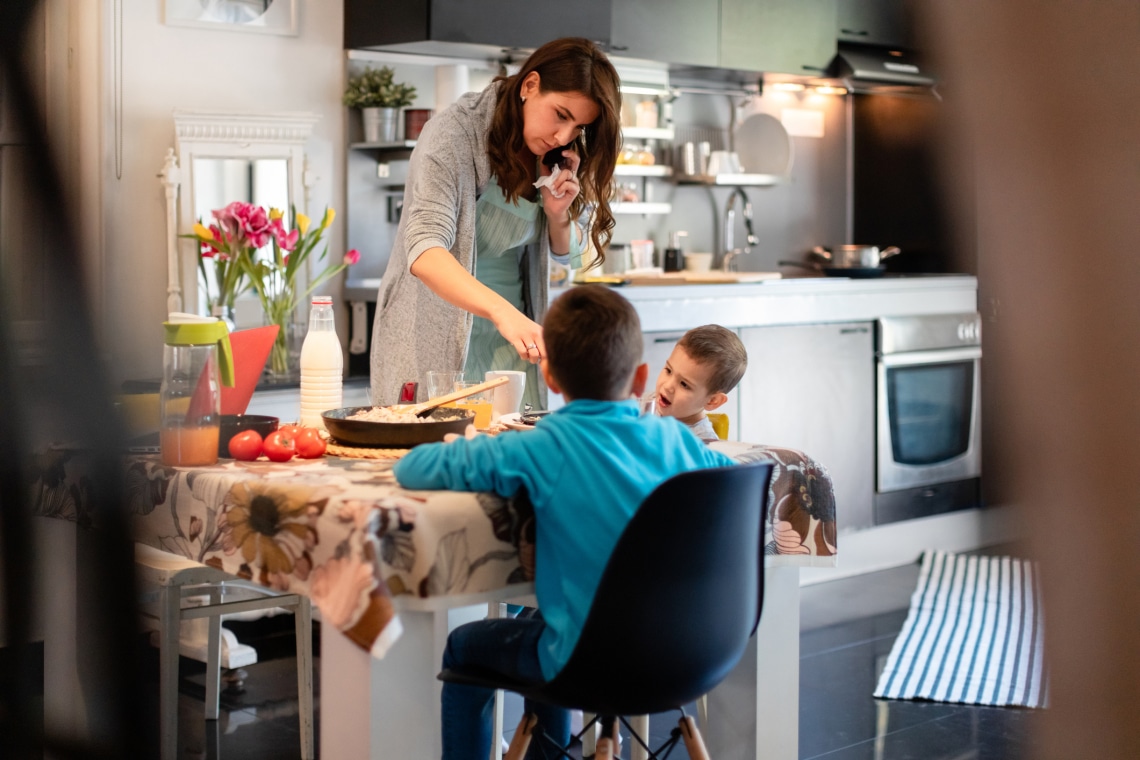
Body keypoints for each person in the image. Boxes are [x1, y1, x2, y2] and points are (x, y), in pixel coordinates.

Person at [392, 286, 735, 759]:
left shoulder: (543, 445)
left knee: (466, 647)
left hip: (584, 661)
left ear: (549, 377)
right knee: (542, 621)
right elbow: (727, 478)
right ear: (640, 379)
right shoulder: (676, 443)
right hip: (696, 654)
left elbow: (412, 470)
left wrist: (457, 447)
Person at [370, 37, 622, 409]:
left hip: (512, 337)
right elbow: (424, 251)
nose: (562, 136)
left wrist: (557, 216)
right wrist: (503, 312)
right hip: (439, 330)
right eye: (561, 115)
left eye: (578, 127)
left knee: (512, 455)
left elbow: (566, 255)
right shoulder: (454, 134)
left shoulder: (556, 155)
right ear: (530, 85)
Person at [652, 324, 748, 443]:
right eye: (668, 370)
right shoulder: (649, 406)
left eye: (684, 384)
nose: (667, 386)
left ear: (712, 401)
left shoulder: (702, 446)